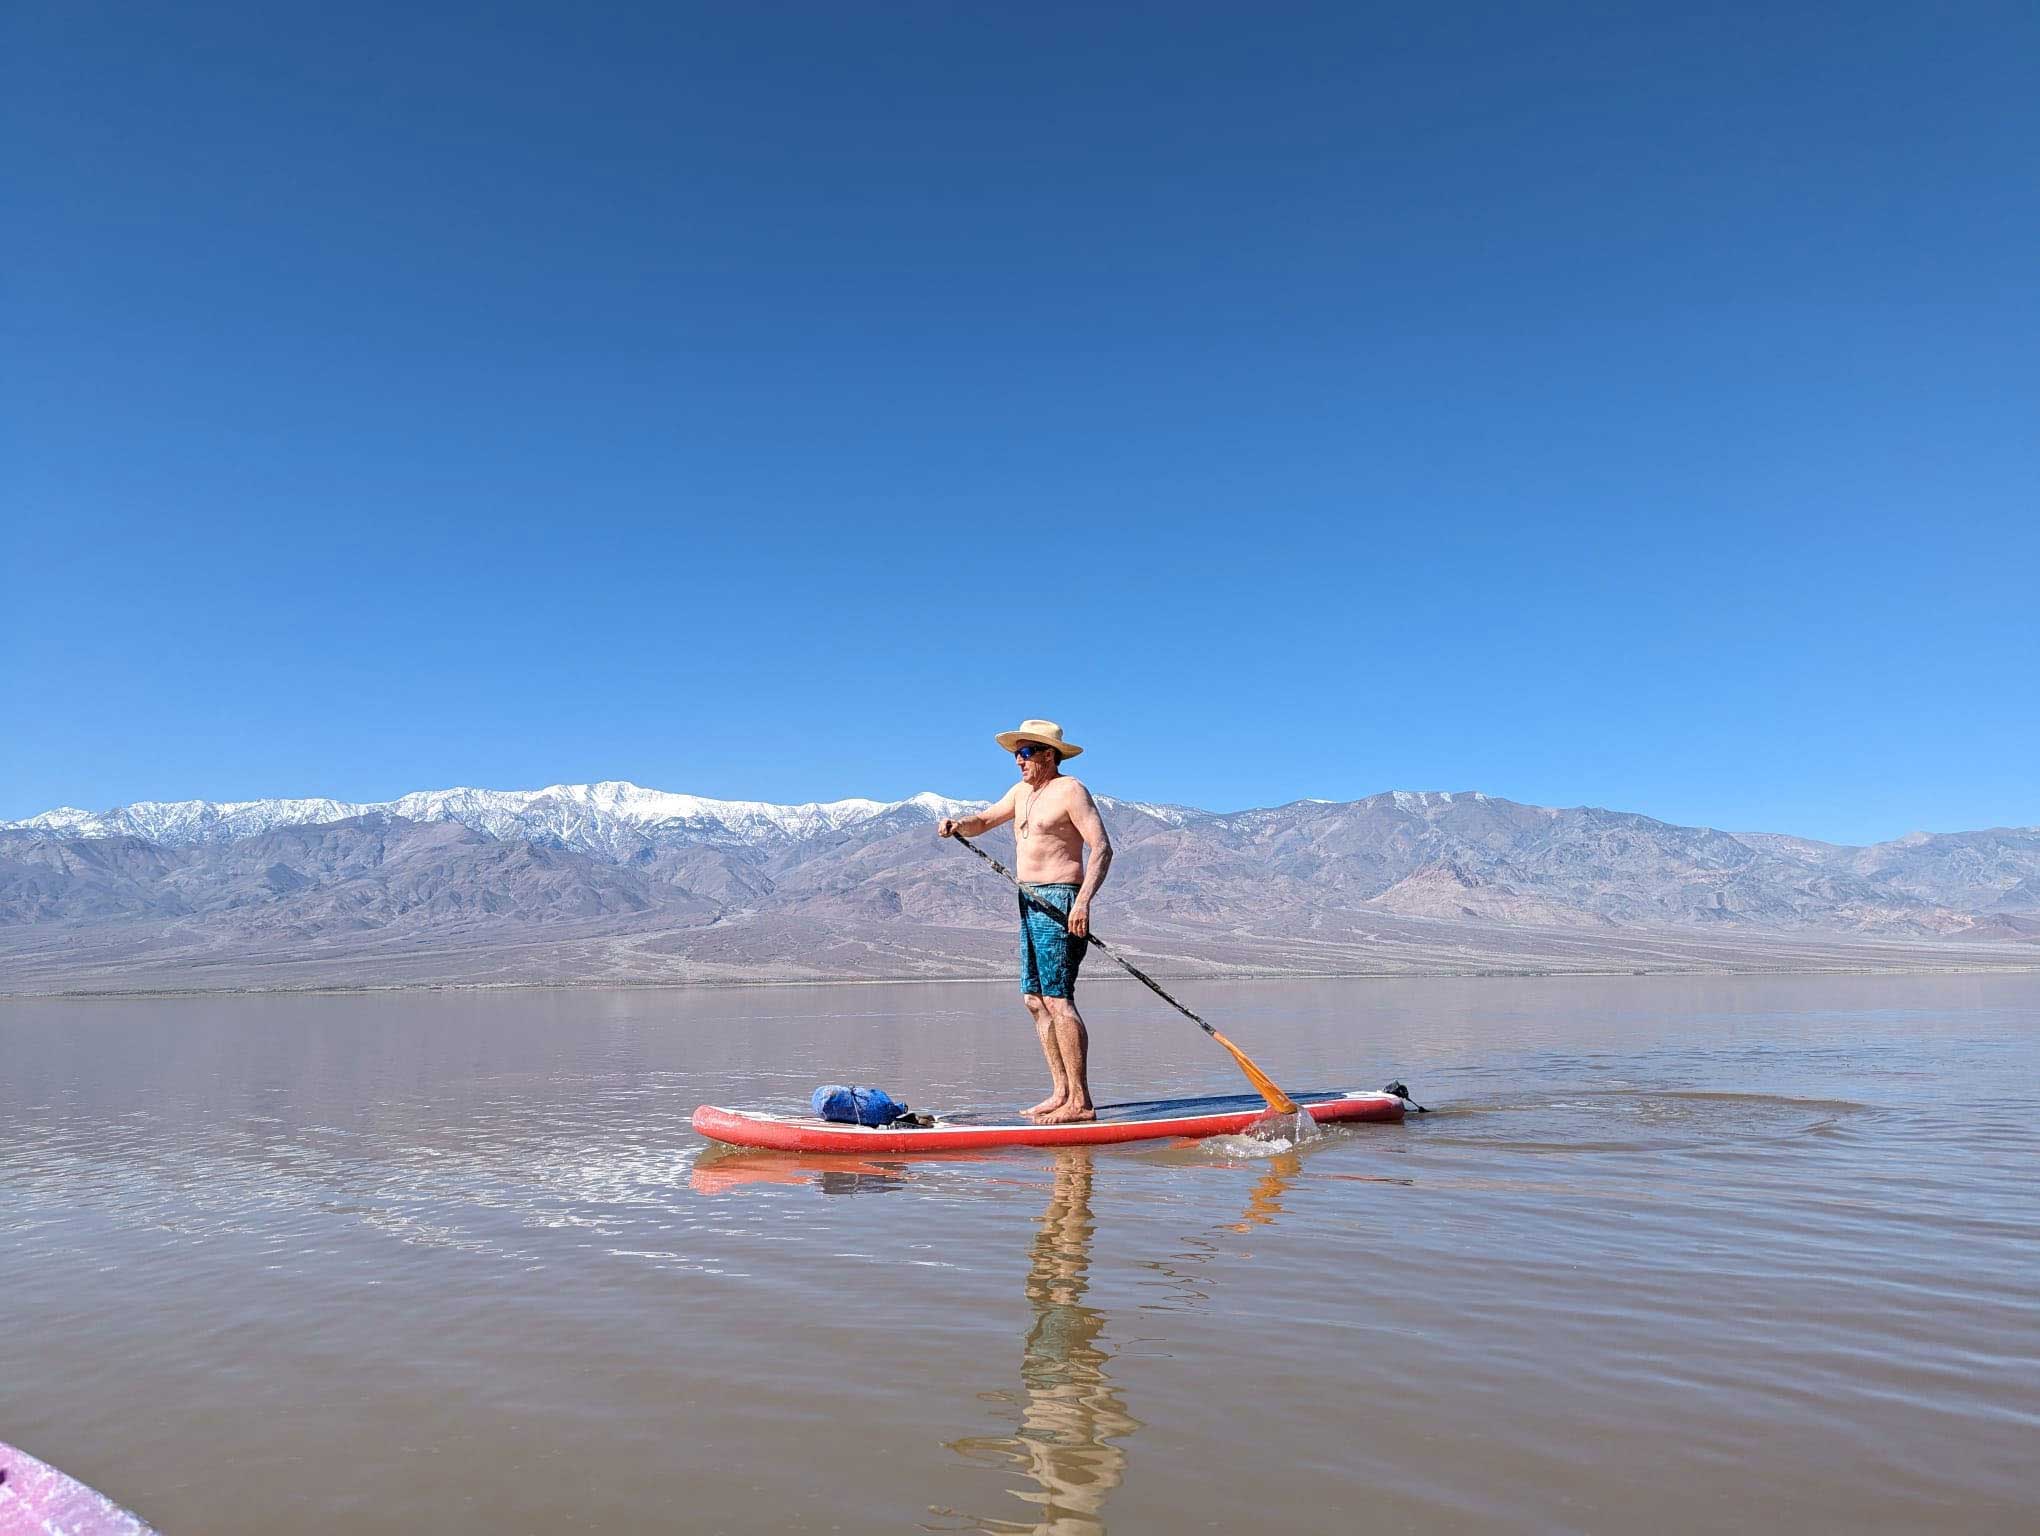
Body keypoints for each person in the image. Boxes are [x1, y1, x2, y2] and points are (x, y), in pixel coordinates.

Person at [938, 719, 1113, 1123]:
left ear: (1049, 755)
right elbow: (983, 821)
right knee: (1034, 1001)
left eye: (1026, 752)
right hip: (1028, 900)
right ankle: (1061, 1091)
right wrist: (958, 825)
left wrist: (1083, 902)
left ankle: (1081, 1102)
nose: (1019, 760)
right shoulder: (1021, 793)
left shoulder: (1070, 790)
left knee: (1058, 999)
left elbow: (1102, 848)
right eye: (1017, 753)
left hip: (1060, 900)